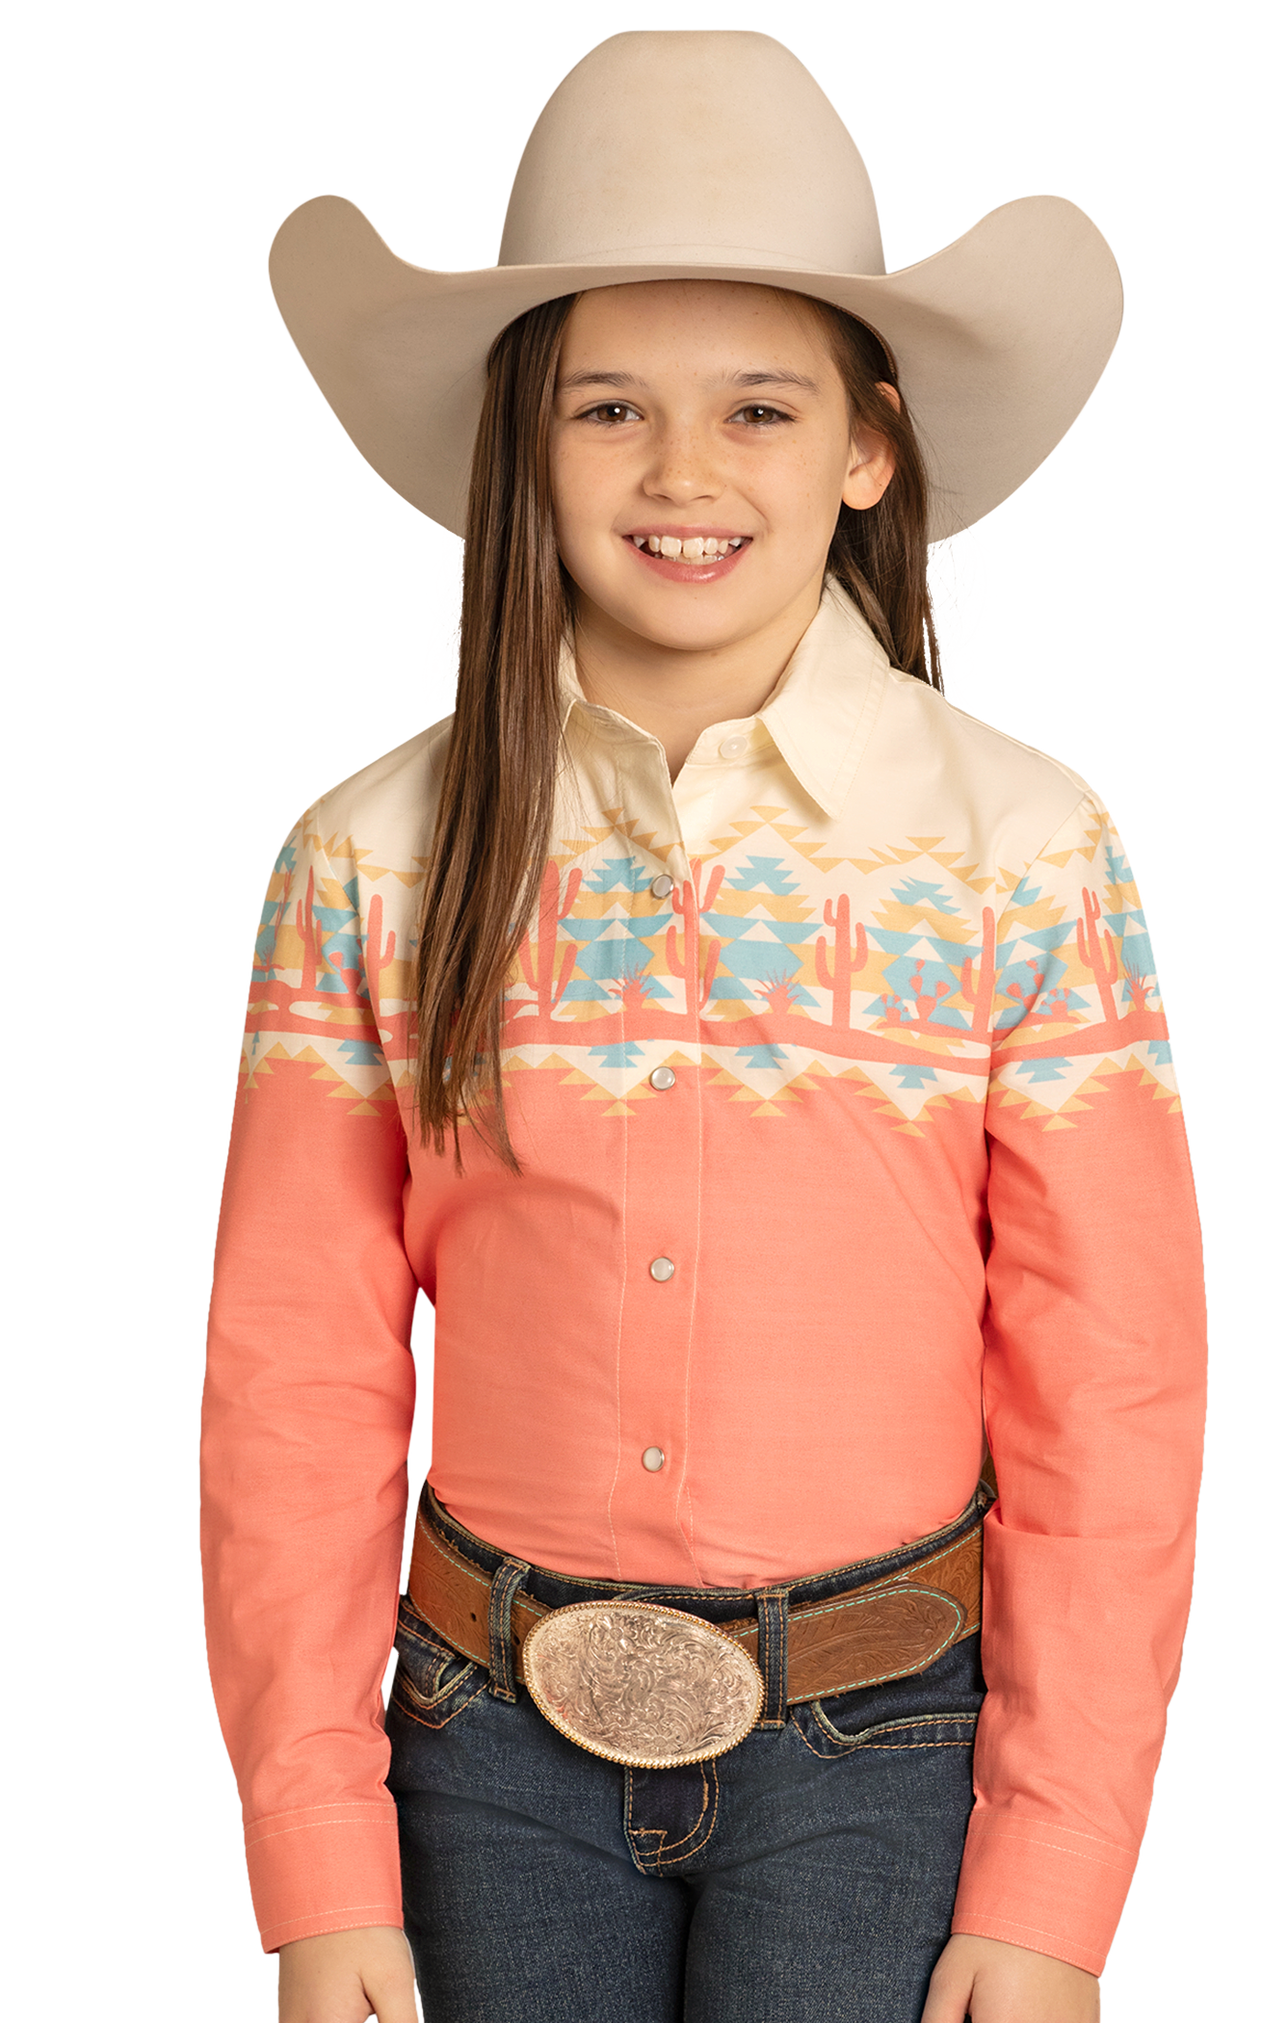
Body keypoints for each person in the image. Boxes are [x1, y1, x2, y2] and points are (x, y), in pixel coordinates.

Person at [198, 27, 1209, 2023]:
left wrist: (1055, 1878)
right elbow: (292, 1383)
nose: (682, 474)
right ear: (519, 444)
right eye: (608, 410)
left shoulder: (1024, 851)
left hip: (890, 1759)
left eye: (758, 406)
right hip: (480, 1754)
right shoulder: (368, 858)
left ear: (867, 447)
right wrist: (315, 1862)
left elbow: (1109, 1390)